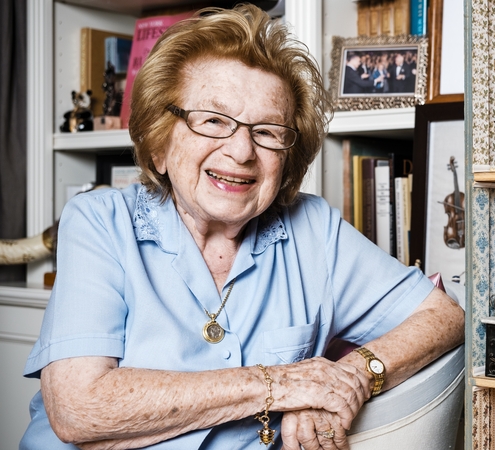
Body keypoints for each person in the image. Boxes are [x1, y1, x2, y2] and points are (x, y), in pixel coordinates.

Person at [20, 5, 464, 450]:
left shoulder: (314, 229)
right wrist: (281, 385)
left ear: (287, 160)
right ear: (159, 143)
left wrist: (351, 376)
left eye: (268, 132)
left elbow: (443, 316)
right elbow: (79, 408)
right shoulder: (99, 222)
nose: (241, 151)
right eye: (213, 121)